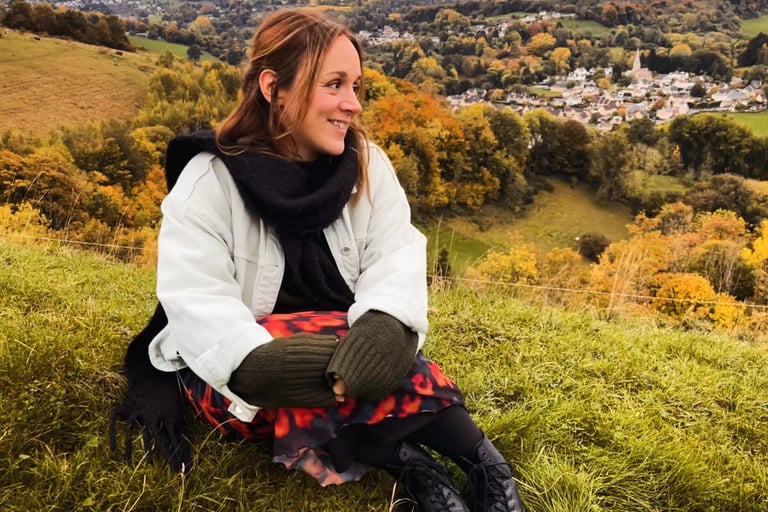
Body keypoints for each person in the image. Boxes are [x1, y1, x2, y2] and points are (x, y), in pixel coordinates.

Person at [109, 8, 526, 512]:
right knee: (349, 372)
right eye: (334, 84)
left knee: (382, 350)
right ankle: (409, 461)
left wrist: (385, 328)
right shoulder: (208, 182)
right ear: (273, 87)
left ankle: (484, 465)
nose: (352, 104)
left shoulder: (368, 166)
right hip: (242, 370)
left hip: (344, 344)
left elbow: (394, 252)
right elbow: (195, 299)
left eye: (357, 86)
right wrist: (267, 363)